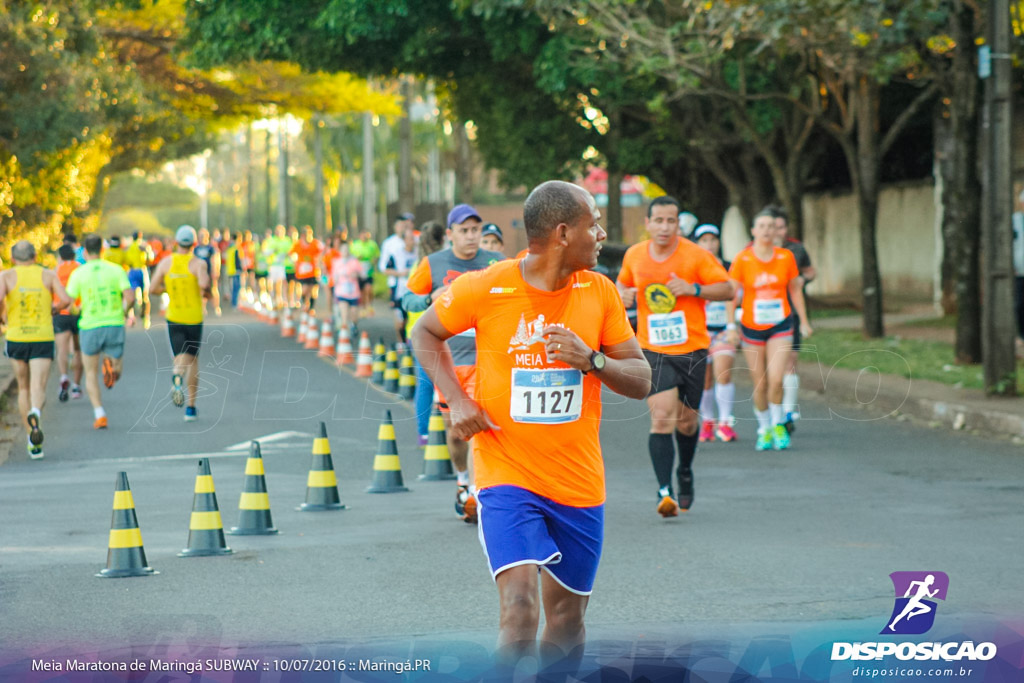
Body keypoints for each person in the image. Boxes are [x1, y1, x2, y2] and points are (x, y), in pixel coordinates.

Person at [412, 180, 650, 669]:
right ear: (564, 233)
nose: (602, 234)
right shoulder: (487, 285)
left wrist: (592, 362)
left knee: (565, 620)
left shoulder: (599, 291)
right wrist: (456, 400)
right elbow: (425, 331)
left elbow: (642, 379)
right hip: (507, 474)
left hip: (577, 482)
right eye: (594, 224)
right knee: (519, 610)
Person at [617, 196, 733, 517]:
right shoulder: (635, 255)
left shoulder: (696, 256)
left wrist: (693, 289)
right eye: (659, 221)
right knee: (662, 417)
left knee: (686, 422)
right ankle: (663, 490)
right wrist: (621, 293)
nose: (665, 227)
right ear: (648, 223)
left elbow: (728, 289)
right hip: (652, 350)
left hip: (693, 349)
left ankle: (685, 471)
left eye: (671, 221)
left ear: (678, 224)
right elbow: (621, 284)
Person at [403, 204, 503, 522]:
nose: (471, 236)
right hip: (449, 359)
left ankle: (479, 491)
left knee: (482, 430)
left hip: (488, 358)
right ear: (450, 235)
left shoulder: (496, 263)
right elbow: (405, 298)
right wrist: (428, 299)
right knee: (457, 431)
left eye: (476, 230)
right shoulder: (433, 264)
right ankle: (463, 480)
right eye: (464, 230)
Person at [726, 209, 812, 451]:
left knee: (776, 380)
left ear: (776, 232)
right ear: (753, 231)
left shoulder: (785, 257)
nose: (766, 230)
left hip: (781, 325)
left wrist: (803, 321)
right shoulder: (743, 259)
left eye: (770, 226)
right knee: (760, 383)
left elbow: (795, 289)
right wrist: (731, 326)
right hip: (752, 327)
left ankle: (777, 425)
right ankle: (763, 428)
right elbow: (732, 294)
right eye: (761, 226)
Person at [0, 240, 72, 459]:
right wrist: (54, 308)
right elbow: (66, 300)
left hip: (17, 336)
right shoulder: (48, 275)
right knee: (38, 385)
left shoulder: (6, 276)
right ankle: (36, 413)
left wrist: (3, 316)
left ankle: (33, 439)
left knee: (23, 387)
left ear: (13, 258)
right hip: (42, 335)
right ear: (35, 256)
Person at [65, 234, 134, 429]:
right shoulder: (116, 270)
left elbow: (69, 303)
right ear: (102, 251)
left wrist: (77, 311)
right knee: (116, 368)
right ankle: (112, 368)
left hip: (89, 325)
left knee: (90, 372)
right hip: (113, 323)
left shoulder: (79, 273)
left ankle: (99, 414)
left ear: (85, 252)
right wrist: (123, 312)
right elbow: (130, 296)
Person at [149, 225, 211, 422]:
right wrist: (205, 289)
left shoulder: (166, 262)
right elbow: (204, 285)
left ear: (176, 242)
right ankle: (191, 408)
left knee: (180, 356)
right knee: (193, 360)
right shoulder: (198, 263)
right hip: (194, 317)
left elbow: (152, 288)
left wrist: (168, 289)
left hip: (174, 316)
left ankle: (177, 375)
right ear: (194, 243)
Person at [692, 224, 739, 443]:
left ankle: (726, 422)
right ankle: (708, 421)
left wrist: (732, 327)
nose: (709, 245)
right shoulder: (692, 269)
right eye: (704, 240)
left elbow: (733, 296)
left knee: (724, 373)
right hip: (700, 331)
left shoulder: (728, 268)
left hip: (722, 331)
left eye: (713, 239)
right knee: (705, 379)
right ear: (697, 243)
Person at [771, 206, 816, 433]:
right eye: (772, 226)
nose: (776, 231)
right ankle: (773, 412)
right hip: (763, 318)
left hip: (790, 313)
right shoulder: (753, 252)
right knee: (771, 368)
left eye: (780, 226)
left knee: (790, 362)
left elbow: (810, 271)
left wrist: (802, 280)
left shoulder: (795, 249)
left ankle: (788, 412)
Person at [403, 221, 446, 446]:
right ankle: (435, 431)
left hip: (416, 332)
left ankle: (424, 433)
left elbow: (406, 300)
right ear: (442, 240)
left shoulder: (418, 266)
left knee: (426, 384)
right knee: (439, 382)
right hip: (434, 332)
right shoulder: (440, 267)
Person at [52, 244, 83, 403]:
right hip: (78, 312)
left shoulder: (55, 271)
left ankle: (64, 376)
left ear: (60, 256)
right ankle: (76, 386)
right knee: (78, 350)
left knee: (62, 350)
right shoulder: (80, 269)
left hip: (60, 313)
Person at [380, 225, 418, 343]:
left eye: (414, 238)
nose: (413, 241)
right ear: (404, 240)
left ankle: (409, 341)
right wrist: (400, 273)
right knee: (401, 320)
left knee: (412, 318)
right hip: (399, 290)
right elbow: (386, 270)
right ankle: (400, 341)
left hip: (415, 290)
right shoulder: (396, 254)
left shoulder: (418, 253)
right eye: (410, 238)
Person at [330, 237, 364, 330]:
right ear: (340, 251)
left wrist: (356, 274)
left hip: (354, 292)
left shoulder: (354, 262)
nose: (345, 251)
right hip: (341, 292)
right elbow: (333, 276)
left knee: (354, 314)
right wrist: (336, 279)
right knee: (344, 314)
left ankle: (354, 325)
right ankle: (345, 336)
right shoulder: (337, 262)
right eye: (343, 249)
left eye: (346, 249)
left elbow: (362, 274)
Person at [289, 225, 324, 313]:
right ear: (303, 235)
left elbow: (321, 254)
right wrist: (295, 261)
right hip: (302, 273)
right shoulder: (298, 244)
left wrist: (319, 263)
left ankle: (311, 307)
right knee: (304, 290)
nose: (309, 236)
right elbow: (291, 253)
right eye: (307, 234)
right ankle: (305, 303)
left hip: (313, 272)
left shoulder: (315, 244)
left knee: (313, 291)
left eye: (311, 234)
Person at [123, 231, 153, 329]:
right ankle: (146, 319)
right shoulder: (143, 246)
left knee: (131, 296)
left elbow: (125, 259)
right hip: (141, 270)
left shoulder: (129, 247)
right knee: (145, 296)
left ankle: (130, 317)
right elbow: (151, 258)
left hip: (132, 271)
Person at [350, 230, 380, 318]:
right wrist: (357, 258)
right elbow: (350, 257)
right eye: (362, 236)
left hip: (369, 271)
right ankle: (363, 308)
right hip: (359, 271)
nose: (364, 237)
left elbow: (377, 255)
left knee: (369, 289)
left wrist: (374, 261)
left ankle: (369, 305)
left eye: (366, 236)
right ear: (359, 236)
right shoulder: (354, 245)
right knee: (362, 291)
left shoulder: (372, 244)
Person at [192, 228, 222, 316]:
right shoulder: (196, 249)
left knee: (214, 290)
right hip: (200, 273)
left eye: (203, 236)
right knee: (201, 290)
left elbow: (215, 259)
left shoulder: (211, 248)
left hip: (210, 272)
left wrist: (215, 271)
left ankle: (216, 307)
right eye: (200, 236)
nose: (201, 238)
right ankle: (203, 308)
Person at [223, 232, 243, 308]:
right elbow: (238, 260)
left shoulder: (229, 248)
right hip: (235, 271)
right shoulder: (236, 248)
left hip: (230, 270)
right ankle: (235, 303)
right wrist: (240, 269)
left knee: (234, 287)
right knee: (236, 287)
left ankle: (234, 302)